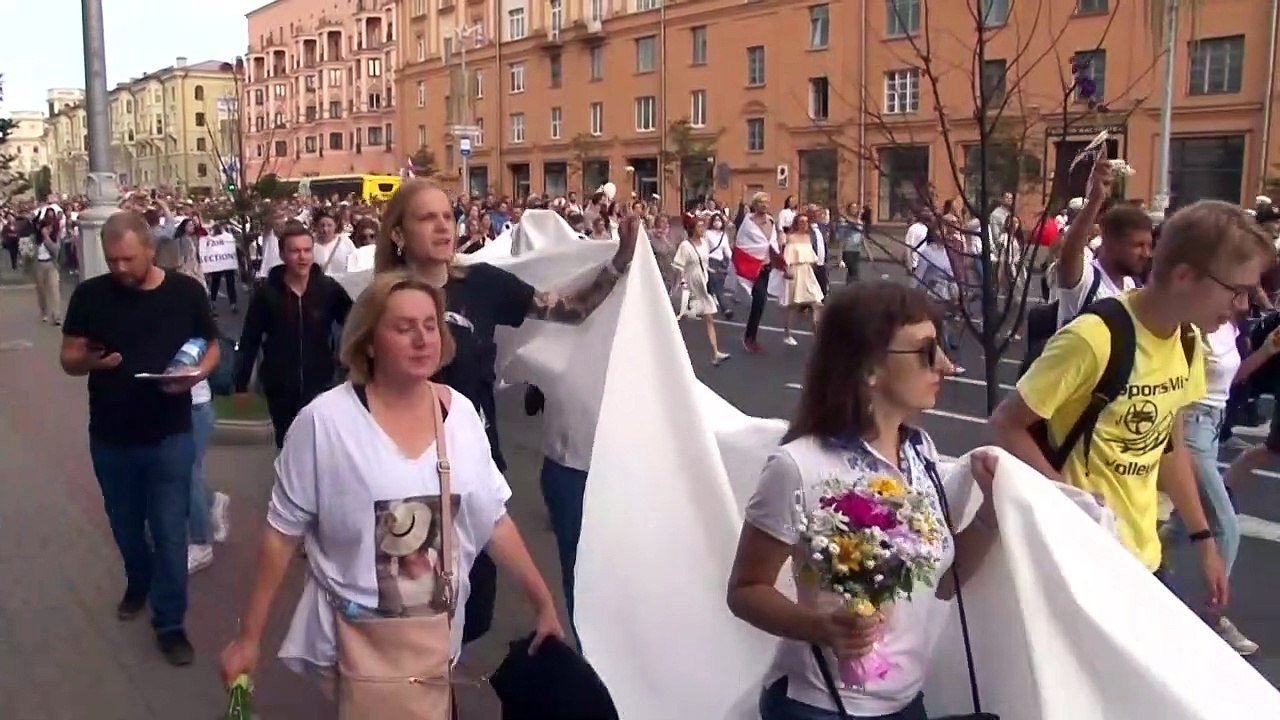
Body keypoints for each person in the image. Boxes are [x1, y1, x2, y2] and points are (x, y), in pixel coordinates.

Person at [218, 272, 564, 697]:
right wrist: (249, 638)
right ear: (368, 341)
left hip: (436, 639)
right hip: (355, 645)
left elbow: (493, 518)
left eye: (430, 325)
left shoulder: (462, 416)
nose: (422, 338)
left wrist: (543, 602)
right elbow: (281, 535)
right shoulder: (325, 422)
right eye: (403, 328)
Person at [373, 179, 638, 644]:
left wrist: (617, 265)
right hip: (409, 483)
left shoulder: (482, 283)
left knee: (473, 618)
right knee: (417, 625)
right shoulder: (380, 301)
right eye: (426, 218)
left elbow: (568, 311)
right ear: (398, 233)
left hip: (477, 472)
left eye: (446, 215)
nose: (443, 227)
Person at [728, 281, 998, 720]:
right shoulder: (798, 465)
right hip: (821, 706)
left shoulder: (922, 453)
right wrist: (821, 627)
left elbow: (941, 582)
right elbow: (745, 590)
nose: (947, 366)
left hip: (908, 701)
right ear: (870, 367)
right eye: (928, 352)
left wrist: (994, 511)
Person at [989, 198, 1276, 608]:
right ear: (1184, 276)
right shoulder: (1094, 338)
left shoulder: (1188, 340)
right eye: (1237, 292)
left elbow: (1169, 446)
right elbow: (1006, 424)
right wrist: (1071, 500)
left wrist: (1203, 539)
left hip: (1143, 554)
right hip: (1082, 555)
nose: (1244, 308)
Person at [59, 210, 221, 666]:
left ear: (150, 250)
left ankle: (170, 624)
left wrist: (196, 375)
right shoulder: (91, 296)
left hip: (169, 433)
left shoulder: (185, 292)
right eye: (112, 261)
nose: (120, 269)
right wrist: (91, 363)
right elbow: (68, 357)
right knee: (127, 526)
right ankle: (138, 580)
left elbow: (210, 345)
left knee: (170, 533)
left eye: (128, 259)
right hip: (111, 436)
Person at [234, 221, 353, 448]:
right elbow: (250, 338)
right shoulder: (266, 294)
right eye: (295, 251)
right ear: (282, 254)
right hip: (280, 385)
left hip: (320, 382)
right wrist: (241, 385)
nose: (302, 257)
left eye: (307, 250)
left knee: (318, 445)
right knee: (288, 444)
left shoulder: (327, 288)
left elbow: (355, 320)